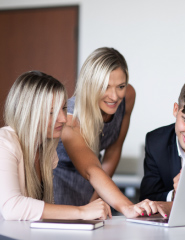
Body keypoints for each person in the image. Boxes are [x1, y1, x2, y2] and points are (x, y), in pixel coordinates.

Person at [54, 47, 168, 218]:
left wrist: (97, 198)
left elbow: (114, 149)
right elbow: (91, 169)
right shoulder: (71, 118)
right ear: (90, 85)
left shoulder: (128, 96)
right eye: (105, 87)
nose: (114, 96)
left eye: (120, 86)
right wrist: (128, 207)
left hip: (99, 180)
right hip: (61, 182)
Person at [0, 71, 111, 220]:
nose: (63, 118)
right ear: (28, 114)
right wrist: (82, 211)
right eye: (51, 112)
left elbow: (40, 213)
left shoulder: (48, 151)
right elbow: (12, 207)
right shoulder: (4, 143)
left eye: (63, 109)